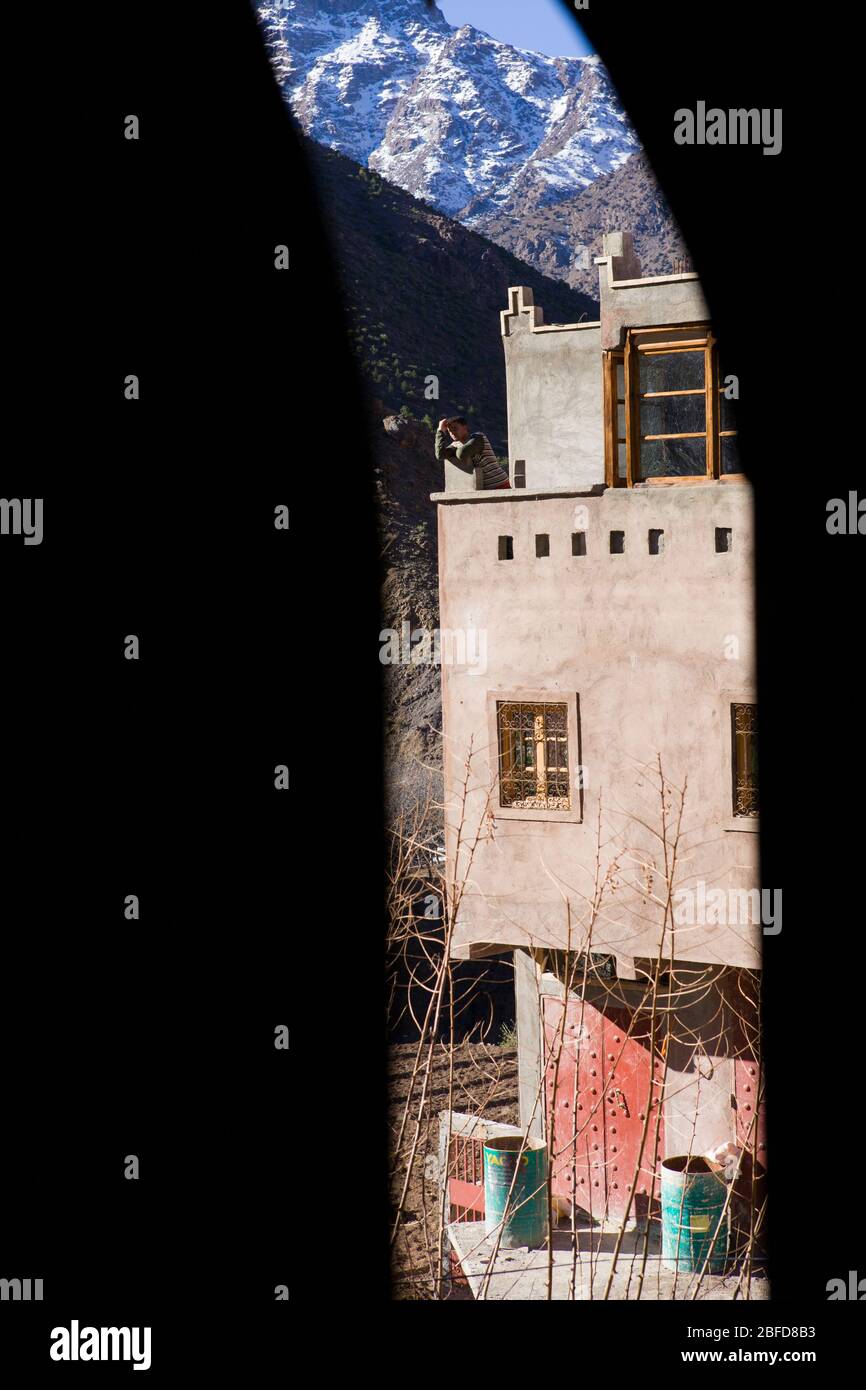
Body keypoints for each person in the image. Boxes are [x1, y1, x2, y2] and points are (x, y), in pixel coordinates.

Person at [435, 417, 510, 489]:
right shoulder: (455, 445)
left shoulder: (478, 438)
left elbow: (462, 454)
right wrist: (440, 431)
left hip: (501, 484)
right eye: (449, 431)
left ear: (465, 427)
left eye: (455, 429)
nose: (452, 433)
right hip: (485, 488)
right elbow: (440, 455)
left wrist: (455, 450)